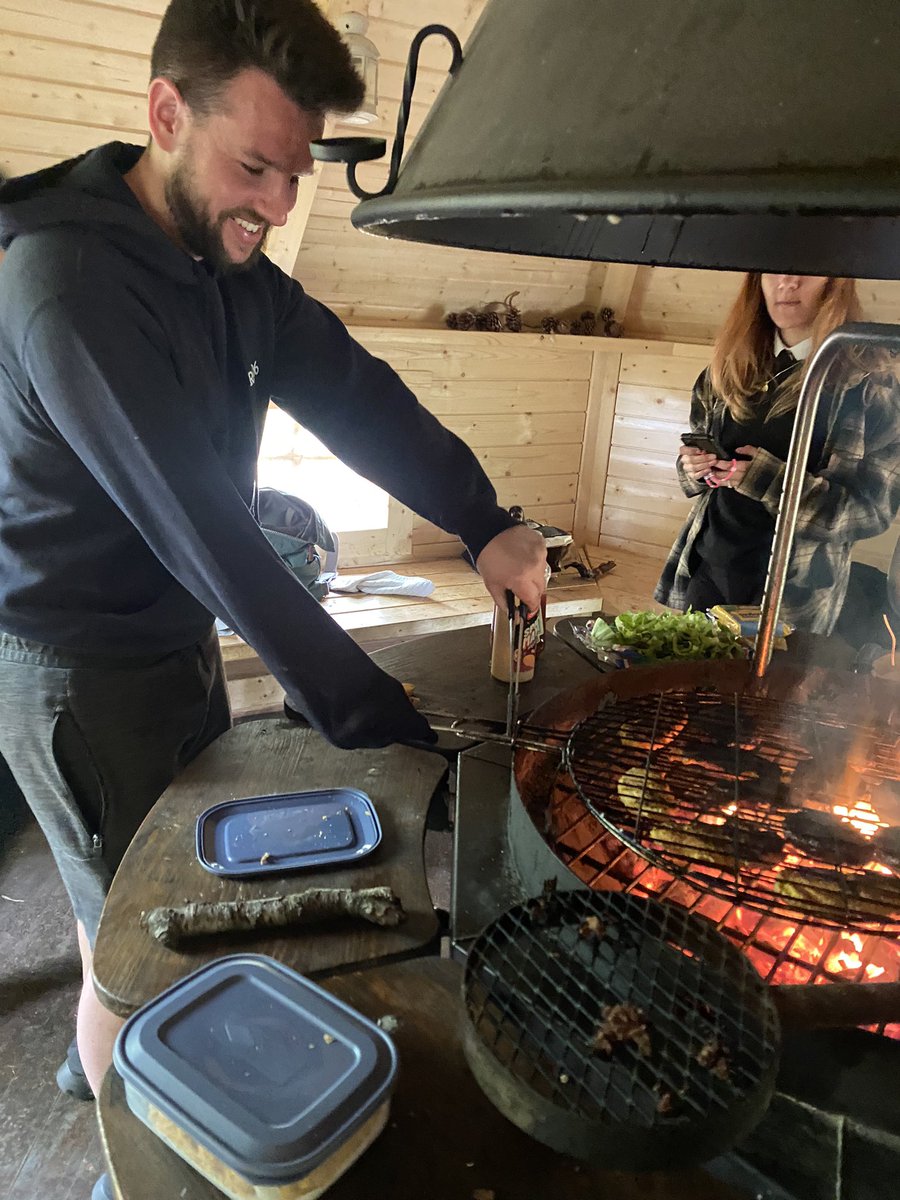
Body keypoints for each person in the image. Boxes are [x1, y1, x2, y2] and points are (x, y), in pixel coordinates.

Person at [0, 0, 547, 1101]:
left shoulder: (220, 256)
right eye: (257, 166)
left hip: (167, 630)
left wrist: (484, 518)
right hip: (75, 665)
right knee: (152, 942)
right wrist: (393, 735)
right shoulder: (68, 287)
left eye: (297, 173)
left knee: (138, 875)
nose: (281, 204)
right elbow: (215, 540)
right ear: (166, 113)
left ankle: (88, 1054)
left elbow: (350, 386)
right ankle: (128, 1140)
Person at [655, 273, 900, 632]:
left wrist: (769, 481)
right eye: (774, 269)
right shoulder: (727, 367)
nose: (787, 281)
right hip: (708, 571)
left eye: (807, 269)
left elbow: (872, 512)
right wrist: (693, 467)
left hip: (793, 597)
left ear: (836, 282)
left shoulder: (871, 385)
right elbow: (695, 462)